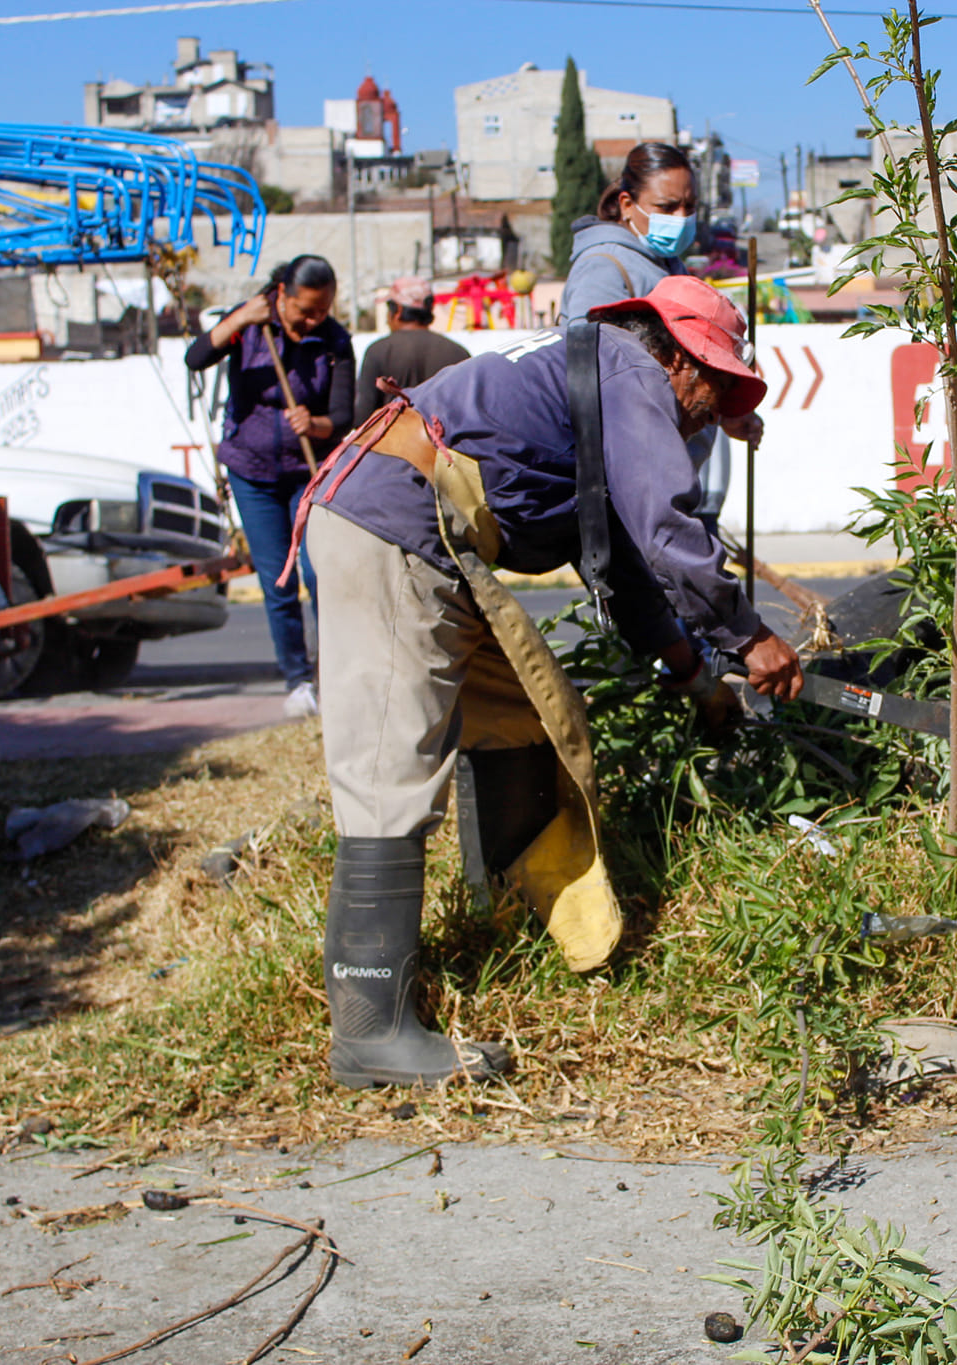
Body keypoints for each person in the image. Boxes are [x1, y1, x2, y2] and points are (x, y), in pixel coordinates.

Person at [294, 275, 804, 1088]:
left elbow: (630, 572)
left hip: (435, 544)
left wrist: (698, 676)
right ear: (678, 357)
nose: (713, 408)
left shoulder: (606, 376)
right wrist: (750, 638)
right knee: (390, 770)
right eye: (716, 383)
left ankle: (508, 923)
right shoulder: (633, 374)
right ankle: (370, 1028)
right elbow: (668, 529)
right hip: (391, 531)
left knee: (525, 721)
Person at [184, 255, 353, 717]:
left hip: (308, 473)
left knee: (320, 575)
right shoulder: (250, 326)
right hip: (251, 472)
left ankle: (333, 674)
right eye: (306, 310)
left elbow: (342, 417)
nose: (315, 319)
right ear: (281, 294)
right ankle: (298, 681)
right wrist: (240, 318)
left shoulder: (335, 340)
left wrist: (315, 423)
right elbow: (196, 358)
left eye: (323, 309)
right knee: (278, 579)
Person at [561, 142, 751, 534]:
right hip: (633, 494)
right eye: (667, 208)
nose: (681, 218)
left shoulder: (666, 266)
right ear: (628, 204)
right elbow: (584, 372)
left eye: (689, 206)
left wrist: (726, 409)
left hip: (670, 483)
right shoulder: (604, 268)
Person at [354, 277, 470, 422]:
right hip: (444, 443)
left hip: (393, 443)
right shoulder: (458, 353)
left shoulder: (378, 351)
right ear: (429, 309)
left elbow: (363, 416)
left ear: (397, 310)